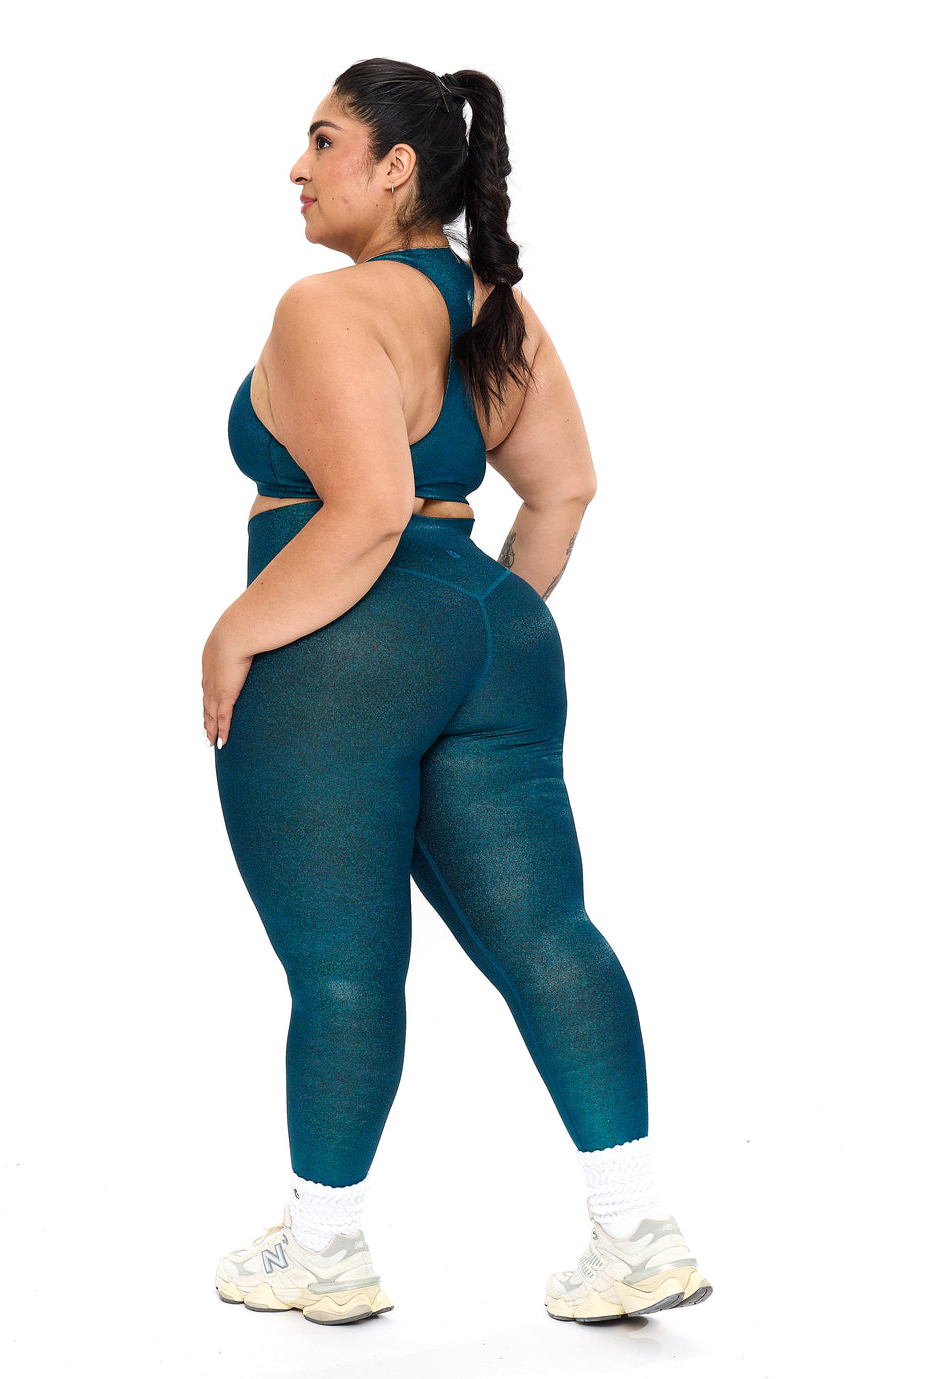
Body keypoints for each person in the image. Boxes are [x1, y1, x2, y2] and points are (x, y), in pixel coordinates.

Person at [202, 58, 711, 1327]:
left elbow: (369, 507)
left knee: (343, 970)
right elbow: (562, 487)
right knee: (549, 931)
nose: (296, 167)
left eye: (323, 140)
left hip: (344, 649)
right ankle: (634, 1227)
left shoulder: (326, 306)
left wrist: (235, 630)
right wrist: (473, 625)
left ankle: (323, 1247)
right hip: (495, 634)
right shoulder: (495, 308)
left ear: (395, 169)